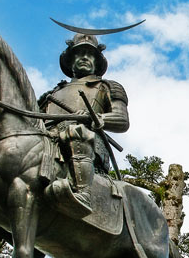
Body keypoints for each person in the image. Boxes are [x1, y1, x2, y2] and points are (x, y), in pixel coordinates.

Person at [38, 33, 129, 216]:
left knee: (76, 132)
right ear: (71, 61)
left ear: (97, 61)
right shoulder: (52, 94)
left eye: (90, 54)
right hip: (49, 143)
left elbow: (122, 120)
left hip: (86, 143)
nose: (84, 58)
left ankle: (82, 194)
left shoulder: (107, 87)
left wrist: (94, 117)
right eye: (79, 54)